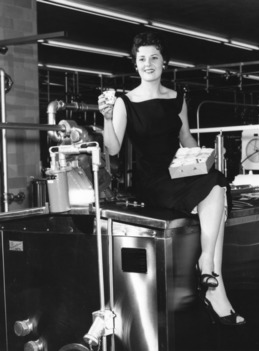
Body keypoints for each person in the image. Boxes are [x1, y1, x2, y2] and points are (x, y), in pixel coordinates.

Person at [98, 31, 245, 326]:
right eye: (142, 59)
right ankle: (215, 284)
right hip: (151, 179)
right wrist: (106, 116)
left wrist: (201, 161)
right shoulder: (125, 102)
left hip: (178, 170)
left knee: (216, 182)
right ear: (135, 65)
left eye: (154, 57)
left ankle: (207, 265)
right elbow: (112, 148)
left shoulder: (178, 98)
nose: (148, 63)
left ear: (164, 62)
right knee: (215, 192)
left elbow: (186, 136)